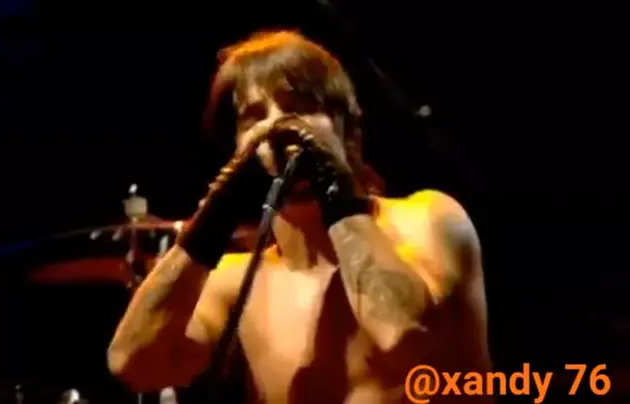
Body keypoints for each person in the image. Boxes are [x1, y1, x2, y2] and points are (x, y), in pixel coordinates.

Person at [107, 30, 492, 403]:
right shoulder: (237, 282)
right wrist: (213, 218)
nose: (279, 128)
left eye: (301, 108)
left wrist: (339, 197)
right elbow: (134, 365)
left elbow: (408, 341)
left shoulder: (427, 218)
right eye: (255, 116)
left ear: (349, 133)